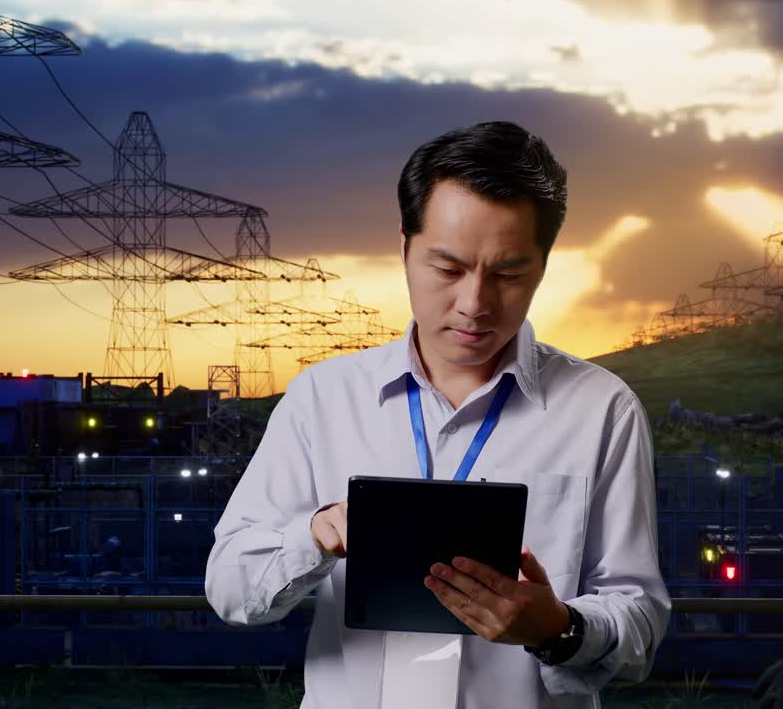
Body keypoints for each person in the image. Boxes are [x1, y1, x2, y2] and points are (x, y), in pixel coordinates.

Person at [205, 120, 669, 708]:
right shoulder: (321, 399)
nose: (475, 304)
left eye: (508, 274)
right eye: (447, 269)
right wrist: (315, 536)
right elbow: (228, 588)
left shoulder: (603, 410)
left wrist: (558, 630)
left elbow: (641, 625)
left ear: (545, 265)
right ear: (403, 248)